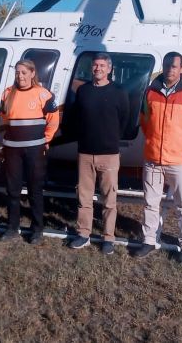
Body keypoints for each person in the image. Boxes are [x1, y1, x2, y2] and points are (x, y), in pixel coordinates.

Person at [131, 52, 182, 263]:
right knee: (150, 202)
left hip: (180, 161)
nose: (170, 69)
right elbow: (145, 122)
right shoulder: (150, 92)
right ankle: (149, 240)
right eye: (166, 65)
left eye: (174, 66)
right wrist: (155, 144)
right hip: (153, 159)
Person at [66, 53, 130, 255]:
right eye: (95, 65)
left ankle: (108, 237)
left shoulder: (119, 92)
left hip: (109, 154)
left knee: (109, 199)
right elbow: (76, 118)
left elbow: (124, 120)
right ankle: (83, 233)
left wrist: (110, 139)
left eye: (102, 65)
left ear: (109, 69)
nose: (98, 69)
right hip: (85, 153)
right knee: (83, 197)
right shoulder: (83, 90)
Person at [0, 59, 60, 244]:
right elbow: (4, 118)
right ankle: (12, 228)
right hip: (12, 150)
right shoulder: (7, 93)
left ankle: (37, 230)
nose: (20, 76)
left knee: (35, 190)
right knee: (13, 190)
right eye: (17, 72)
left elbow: (53, 120)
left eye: (24, 72)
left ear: (32, 73)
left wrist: (45, 140)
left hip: (35, 150)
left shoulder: (43, 94)